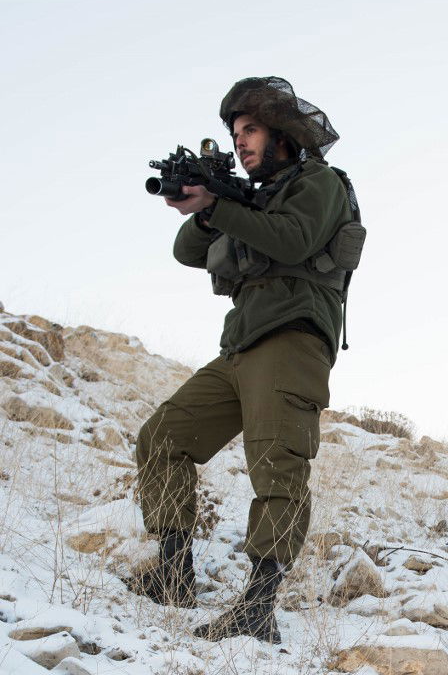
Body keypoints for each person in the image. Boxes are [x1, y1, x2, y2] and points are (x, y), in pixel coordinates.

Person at [129, 76, 359, 643]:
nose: (240, 141)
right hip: (241, 345)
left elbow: (293, 239)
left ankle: (258, 609)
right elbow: (186, 250)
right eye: (234, 133)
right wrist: (213, 205)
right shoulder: (249, 200)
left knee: (277, 466)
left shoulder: (320, 183)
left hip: (293, 339)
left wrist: (222, 206)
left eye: (251, 129)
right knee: (162, 436)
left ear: (282, 133)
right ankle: (174, 574)